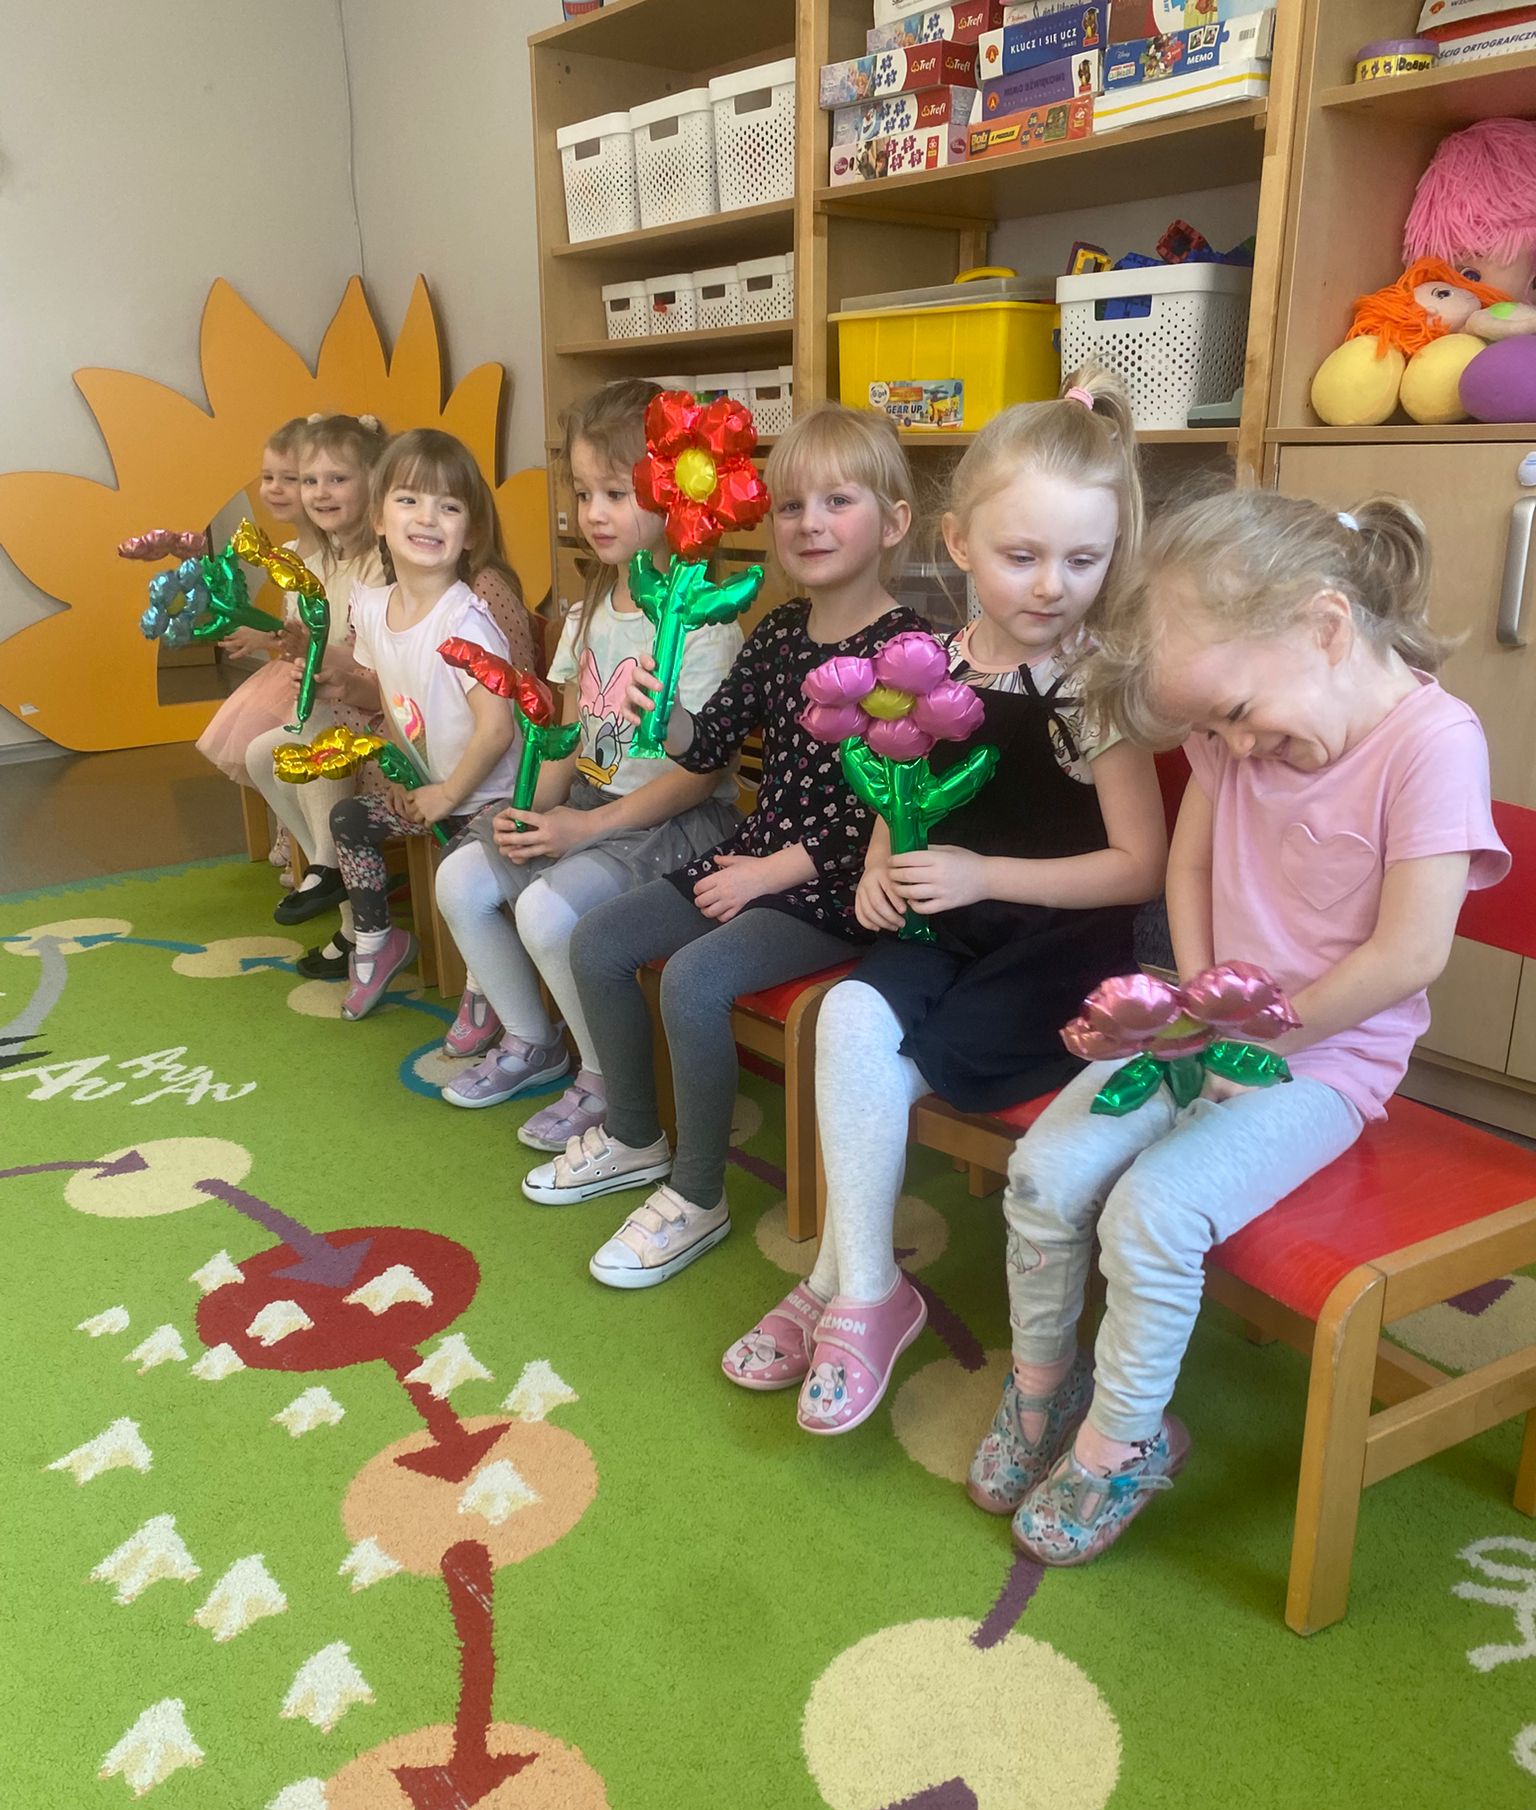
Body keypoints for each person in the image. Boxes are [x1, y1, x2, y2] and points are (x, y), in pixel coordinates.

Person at [967, 489, 1508, 1565]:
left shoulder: (1434, 742)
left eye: (1236, 714)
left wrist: (1260, 1035)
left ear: (1326, 626)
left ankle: (1122, 1443)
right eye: (1210, 729)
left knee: (1154, 1212)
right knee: (1044, 1171)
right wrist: (1203, 1003)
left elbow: (1410, 954)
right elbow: (1192, 865)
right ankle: (1044, 1388)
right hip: (1204, 1021)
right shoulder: (1237, 731)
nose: (1233, 745)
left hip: (1329, 1060)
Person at [725, 369, 1167, 1434]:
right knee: (849, 1017)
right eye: (1022, 557)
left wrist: (984, 874)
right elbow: (897, 786)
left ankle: (838, 1282)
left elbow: (1139, 866)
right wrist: (882, 860)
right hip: (943, 926)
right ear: (961, 544)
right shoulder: (927, 668)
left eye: (1083, 560)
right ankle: (869, 1287)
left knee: (881, 1062)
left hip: (1054, 954)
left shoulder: (1097, 687)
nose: (1052, 586)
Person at [522, 403, 926, 1290]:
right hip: (755, 854)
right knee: (598, 941)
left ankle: (697, 1195)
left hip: (838, 886)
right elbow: (708, 748)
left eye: (838, 502)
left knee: (695, 979)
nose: (810, 523)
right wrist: (666, 713)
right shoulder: (780, 632)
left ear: (894, 522)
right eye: (791, 506)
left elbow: (895, 807)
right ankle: (635, 1135)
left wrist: (772, 872)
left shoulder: (910, 652)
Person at [433, 379, 742, 1137]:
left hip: (674, 826)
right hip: (592, 811)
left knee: (547, 911)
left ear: (674, 494)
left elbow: (698, 775)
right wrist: (534, 810)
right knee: (461, 878)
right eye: (582, 492)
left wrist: (583, 829)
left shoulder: (706, 624)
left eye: (615, 493)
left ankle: (606, 1079)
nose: (592, 513)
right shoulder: (591, 606)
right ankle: (533, 1040)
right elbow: (570, 732)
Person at [324, 428, 521, 1021]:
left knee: (459, 879)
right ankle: (376, 945)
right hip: (431, 790)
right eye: (409, 499)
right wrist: (404, 775)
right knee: (349, 818)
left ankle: (487, 985)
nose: (427, 517)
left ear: (471, 532)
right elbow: (393, 693)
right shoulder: (372, 607)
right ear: (378, 518)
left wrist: (447, 794)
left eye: (449, 506)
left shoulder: (467, 623)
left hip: (488, 801)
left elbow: (497, 730)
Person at [241, 412, 392, 961]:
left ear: (373, 482)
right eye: (310, 481)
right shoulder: (318, 562)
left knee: (314, 740)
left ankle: (335, 882)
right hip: (336, 701)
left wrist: (316, 649)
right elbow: (315, 648)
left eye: (337, 479)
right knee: (261, 754)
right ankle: (334, 880)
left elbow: (375, 661)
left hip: (380, 707)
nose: (320, 493)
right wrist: (295, 646)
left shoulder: (381, 563)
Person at [195, 416, 319, 876]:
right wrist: (264, 636)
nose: (275, 489)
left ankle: (302, 838)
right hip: (291, 668)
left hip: (317, 673)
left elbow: (324, 634)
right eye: (268, 477)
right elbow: (293, 627)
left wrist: (273, 639)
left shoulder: (329, 557)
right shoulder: (288, 550)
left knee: (279, 738)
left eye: (291, 479)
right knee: (258, 741)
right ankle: (292, 830)